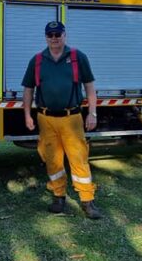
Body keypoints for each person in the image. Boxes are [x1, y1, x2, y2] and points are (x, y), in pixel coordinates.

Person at [21, 20, 102, 220]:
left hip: (72, 118)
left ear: (65, 35)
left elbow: (90, 86)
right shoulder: (37, 60)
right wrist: (27, 114)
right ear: (46, 37)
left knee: (79, 159)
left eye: (58, 35)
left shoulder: (77, 57)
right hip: (45, 118)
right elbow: (28, 89)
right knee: (52, 159)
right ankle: (58, 196)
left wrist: (92, 113)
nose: (54, 39)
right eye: (51, 35)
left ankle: (87, 200)